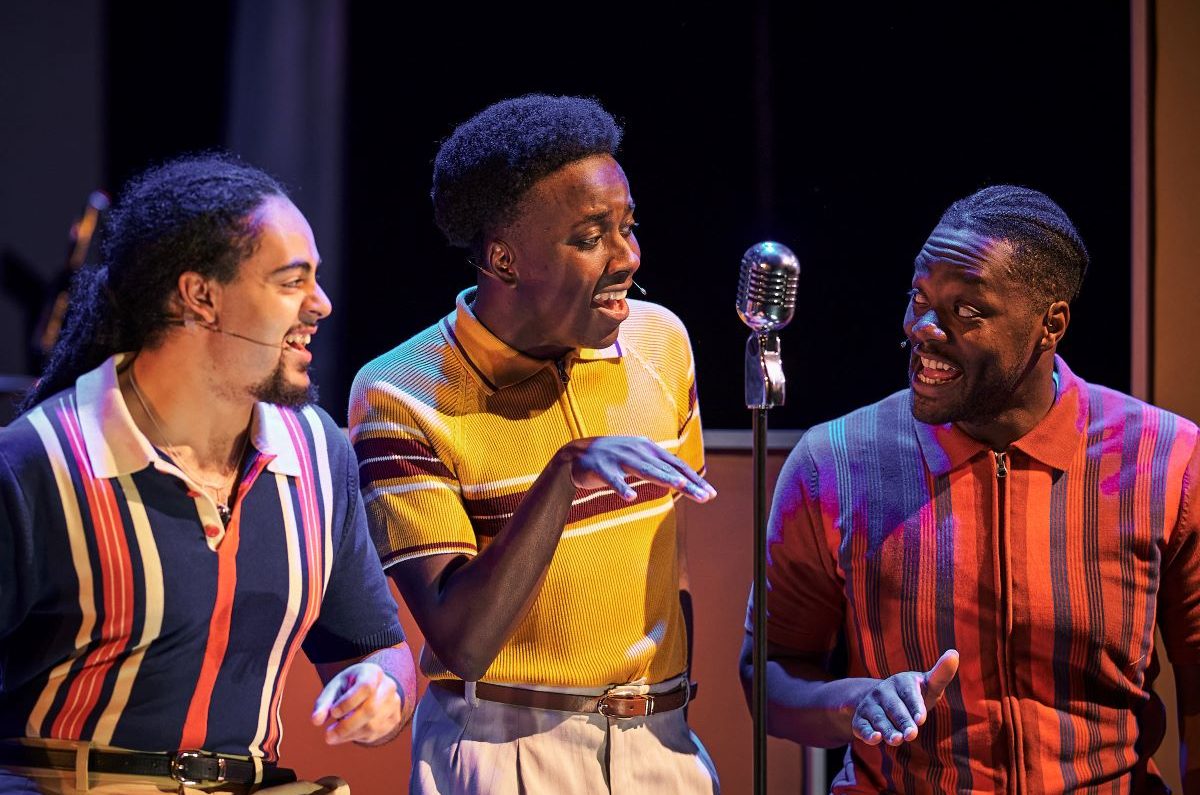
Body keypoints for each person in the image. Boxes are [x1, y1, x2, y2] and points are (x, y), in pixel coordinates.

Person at [740, 185, 1200, 792]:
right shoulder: (836, 461)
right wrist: (856, 703)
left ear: (1049, 326)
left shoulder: (1166, 459)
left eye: (967, 312)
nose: (924, 329)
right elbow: (767, 674)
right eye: (920, 299)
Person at [0, 154, 417, 794]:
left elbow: (373, 646)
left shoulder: (317, 453)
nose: (322, 304)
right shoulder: (41, 462)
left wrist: (383, 686)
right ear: (200, 297)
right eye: (290, 281)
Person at [349, 94, 721, 794]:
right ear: (503, 258)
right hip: (512, 750)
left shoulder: (660, 339)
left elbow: (667, 562)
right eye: (589, 238)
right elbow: (463, 639)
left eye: (627, 227)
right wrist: (563, 478)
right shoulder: (401, 390)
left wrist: (663, 720)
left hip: (663, 745)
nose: (627, 258)